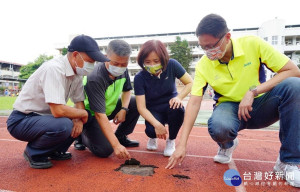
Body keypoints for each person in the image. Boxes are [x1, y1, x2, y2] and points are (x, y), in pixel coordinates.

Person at [166, 14, 300, 188]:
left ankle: (287, 162)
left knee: (295, 86)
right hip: (229, 108)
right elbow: (194, 102)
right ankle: (227, 144)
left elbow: (293, 70)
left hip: (260, 103)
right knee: (219, 126)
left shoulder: (253, 44)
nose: (208, 52)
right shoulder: (203, 65)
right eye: (203, 47)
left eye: (211, 46)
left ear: (227, 37)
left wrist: (253, 91)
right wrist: (181, 145)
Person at [6, 34, 109, 169]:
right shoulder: (54, 69)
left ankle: (55, 150)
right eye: (90, 60)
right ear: (75, 55)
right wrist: (81, 114)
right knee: (64, 124)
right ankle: (34, 153)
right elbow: (58, 110)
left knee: (82, 118)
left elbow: (79, 101)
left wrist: (80, 118)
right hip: (22, 120)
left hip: (45, 119)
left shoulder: (77, 74)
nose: (92, 65)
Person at [74, 39, 139, 159]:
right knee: (105, 150)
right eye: (115, 63)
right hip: (91, 115)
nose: (119, 67)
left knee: (134, 102)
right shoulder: (95, 77)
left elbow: (127, 90)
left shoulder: (123, 70)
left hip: (108, 109)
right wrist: (115, 146)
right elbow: (99, 115)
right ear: (105, 57)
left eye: (124, 64)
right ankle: (82, 136)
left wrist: (124, 109)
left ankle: (121, 136)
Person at [134, 40, 193, 156]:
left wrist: (179, 98)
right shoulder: (139, 78)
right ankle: (152, 137)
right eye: (147, 62)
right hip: (153, 109)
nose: (152, 65)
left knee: (178, 109)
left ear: (163, 58)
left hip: (170, 104)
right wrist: (157, 125)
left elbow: (190, 83)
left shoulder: (172, 65)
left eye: (156, 61)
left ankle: (171, 140)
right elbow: (141, 107)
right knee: (151, 131)